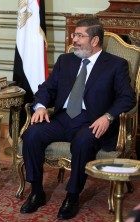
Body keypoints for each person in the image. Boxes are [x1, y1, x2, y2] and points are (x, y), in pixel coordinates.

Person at [19, 18, 136, 220]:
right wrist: (39, 106)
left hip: (92, 121)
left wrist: (107, 117)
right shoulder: (66, 61)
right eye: (74, 35)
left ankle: (72, 196)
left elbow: (128, 98)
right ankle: (37, 191)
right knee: (31, 135)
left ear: (95, 40)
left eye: (80, 35)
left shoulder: (116, 65)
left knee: (83, 142)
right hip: (63, 118)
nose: (74, 39)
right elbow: (48, 88)